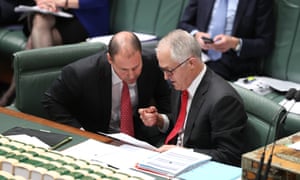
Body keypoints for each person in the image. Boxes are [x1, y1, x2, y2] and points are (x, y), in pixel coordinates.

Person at [138, 29, 247, 166]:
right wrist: (160, 120)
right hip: (169, 159)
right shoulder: (181, 82)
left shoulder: (223, 100)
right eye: (163, 70)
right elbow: (185, 124)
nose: (166, 77)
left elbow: (230, 155)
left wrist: (183, 153)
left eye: (169, 70)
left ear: (191, 64)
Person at [42, 31, 171, 146]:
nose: (131, 75)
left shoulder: (152, 63)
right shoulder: (82, 73)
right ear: (110, 59)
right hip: (96, 140)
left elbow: (166, 101)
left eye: (136, 67)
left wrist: (158, 118)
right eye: (124, 70)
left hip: (138, 140)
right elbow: (51, 101)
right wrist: (79, 132)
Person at [0, 0, 110, 106]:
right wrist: (44, 2)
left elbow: (98, 1)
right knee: (39, 18)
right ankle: (46, 95)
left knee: (33, 41)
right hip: (58, 13)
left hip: (87, 21)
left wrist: (61, 2)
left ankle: (13, 95)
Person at [178, 0, 275, 81]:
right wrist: (196, 35)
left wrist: (236, 43)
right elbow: (183, 24)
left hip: (231, 62)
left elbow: (265, 44)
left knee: (194, 79)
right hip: (198, 53)